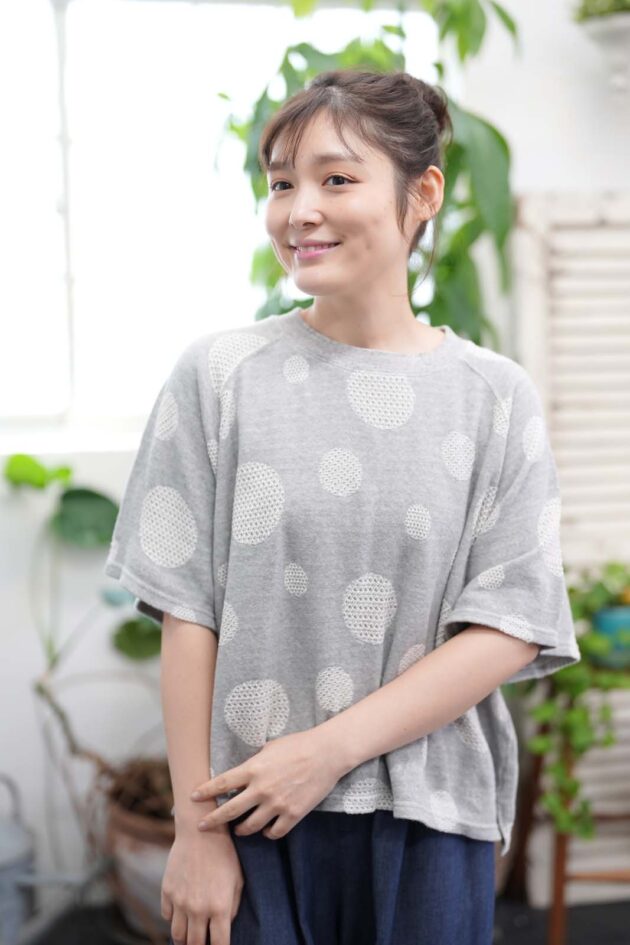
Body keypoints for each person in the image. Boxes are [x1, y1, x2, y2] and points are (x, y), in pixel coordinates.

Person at [104, 69, 581, 945]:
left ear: (422, 194)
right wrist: (195, 831)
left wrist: (326, 751)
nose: (300, 211)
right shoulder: (219, 377)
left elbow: (510, 623)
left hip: (429, 816)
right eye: (282, 183)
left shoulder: (493, 397)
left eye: (336, 178)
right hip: (248, 814)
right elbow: (185, 608)